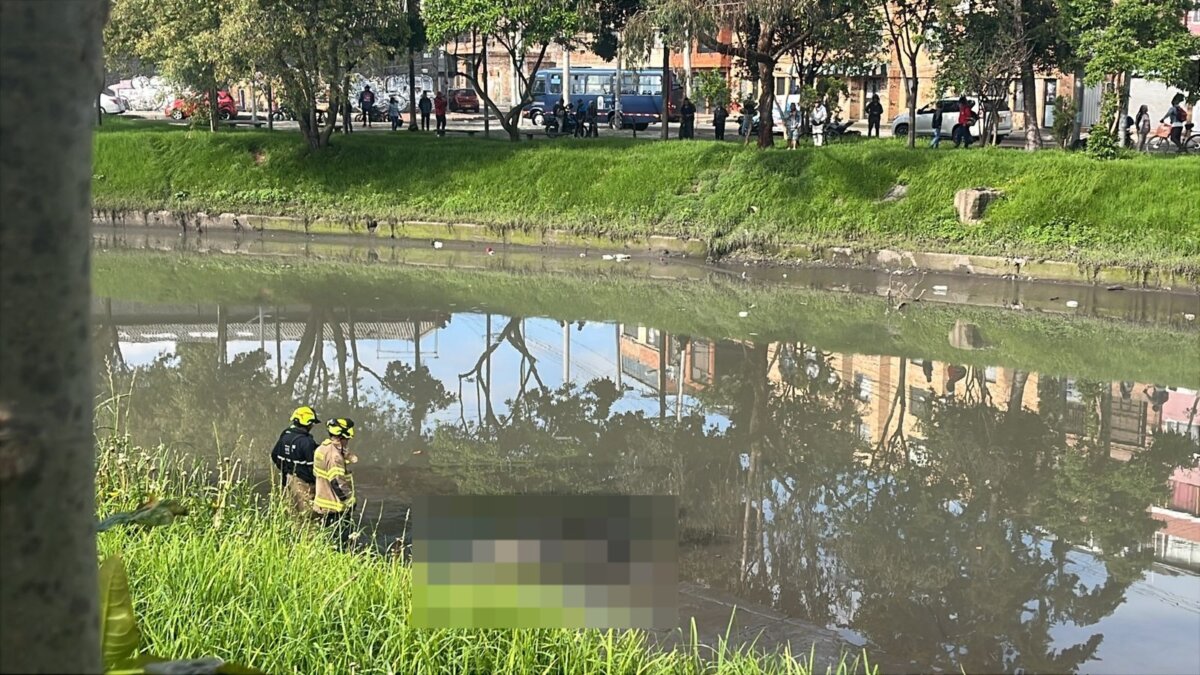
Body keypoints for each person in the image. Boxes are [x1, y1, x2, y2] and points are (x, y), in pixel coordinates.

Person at [313, 417, 358, 549]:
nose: (348, 441)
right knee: (340, 542)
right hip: (335, 507)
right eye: (347, 439)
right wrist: (350, 501)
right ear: (342, 437)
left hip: (322, 502)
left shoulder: (322, 448)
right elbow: (337, 483)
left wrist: (346, 455)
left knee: (327, 537)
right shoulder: (334, 457)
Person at [270, 406, 321, 515]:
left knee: (292, 514)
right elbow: (313, 468)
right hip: (304, 485)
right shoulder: (307, 442)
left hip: (287, 480)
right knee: (308, 517)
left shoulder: (285, 436)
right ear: (308, 423)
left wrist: (285, 470)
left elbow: (274, 455)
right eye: (312, 423)